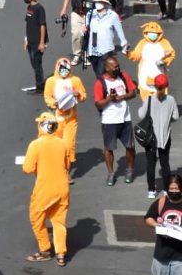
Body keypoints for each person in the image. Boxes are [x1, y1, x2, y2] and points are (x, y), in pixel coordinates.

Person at [22, 113, 70, 266]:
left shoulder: (35, 145)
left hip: (44, 189)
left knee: (36, 219)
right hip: (63, 188)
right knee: (59, 222)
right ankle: (61, 254)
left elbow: (27, 168)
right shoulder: (63, 144)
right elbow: (67, 165)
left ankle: (44, 250)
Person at [93, 53, 138, 186]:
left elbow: (133, 93)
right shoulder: (100, 83)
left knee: (130, 146)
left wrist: (121, 97)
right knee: (109, 148)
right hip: (109, 121)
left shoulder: (123, 76)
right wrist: (109, 99)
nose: (117, 69)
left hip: (125, 118)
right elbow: (98, 103)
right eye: (114, 67)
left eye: (118, 66)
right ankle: (111, 173)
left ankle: (129, 170)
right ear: (107, 68)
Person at [145, 173, 182, 275]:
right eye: (171, 189)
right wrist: (156, 224)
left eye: (177, 188)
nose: (174, 191)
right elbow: (148, 218)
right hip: (162, 251)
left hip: (180, 253)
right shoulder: (161, 203)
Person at [43, 58, 86, 180]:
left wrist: (79, 94)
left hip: (71, 119)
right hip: (56, 119)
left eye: (66, 69)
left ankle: (66, 171)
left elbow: (84, 96)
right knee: (55, 145)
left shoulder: (75, 80)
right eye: (61, 69)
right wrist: (54, 103)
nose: (64, 71)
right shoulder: (51, 81)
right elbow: (47, 96)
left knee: (68, 145)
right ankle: (55, 168)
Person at [59, 0, 108, 66]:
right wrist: (64, 9)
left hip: (90, 14)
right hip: (77, 12)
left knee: (88, 36)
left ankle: (86, 54)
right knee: (76, 34)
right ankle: (77, 54)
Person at [139, 75, 179, 199]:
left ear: (155, 86)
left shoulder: (149, 99)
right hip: (165, 137)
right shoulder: (171, 100)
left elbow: (141, 114)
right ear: (166, 86)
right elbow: (176, 117)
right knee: (165, 163)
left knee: (150, 163)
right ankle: (167, 189)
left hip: (150, 138)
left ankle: (151, 190)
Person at [84, 0, 128, 78]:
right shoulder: (90, 14)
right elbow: (84, 29)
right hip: (92, 50)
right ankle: (103, 88)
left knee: (101, 74)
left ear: (104, 3)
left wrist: (124, 43)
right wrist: (83, 30)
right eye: (96, 2)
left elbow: (119, 31)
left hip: (106, 50)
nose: (97, 4)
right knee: (97, 73)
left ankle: (104, 89)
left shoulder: (113, 15)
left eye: (99, 2)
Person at [127, 20, 175, 99]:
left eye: (155, 33)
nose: (152, 35)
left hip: (159, 77)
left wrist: (165, 61)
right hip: (145, 76)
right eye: (149, 33)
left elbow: (171, 55)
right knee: (147, 103)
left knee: (160, 102)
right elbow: (136, 55)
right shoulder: (142, 43)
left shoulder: (164, 43)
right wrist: (128, 53)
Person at [23, 0, 47, 94]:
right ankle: (40, 83)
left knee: (37, 64)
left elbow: (42, 25)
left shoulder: (39, 8)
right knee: (33, 63)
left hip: (38, 41)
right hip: (30, 41)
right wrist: (26, 39)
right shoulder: (29, 8)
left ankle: (40, 87)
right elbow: (28, 24)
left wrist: (42, 42)